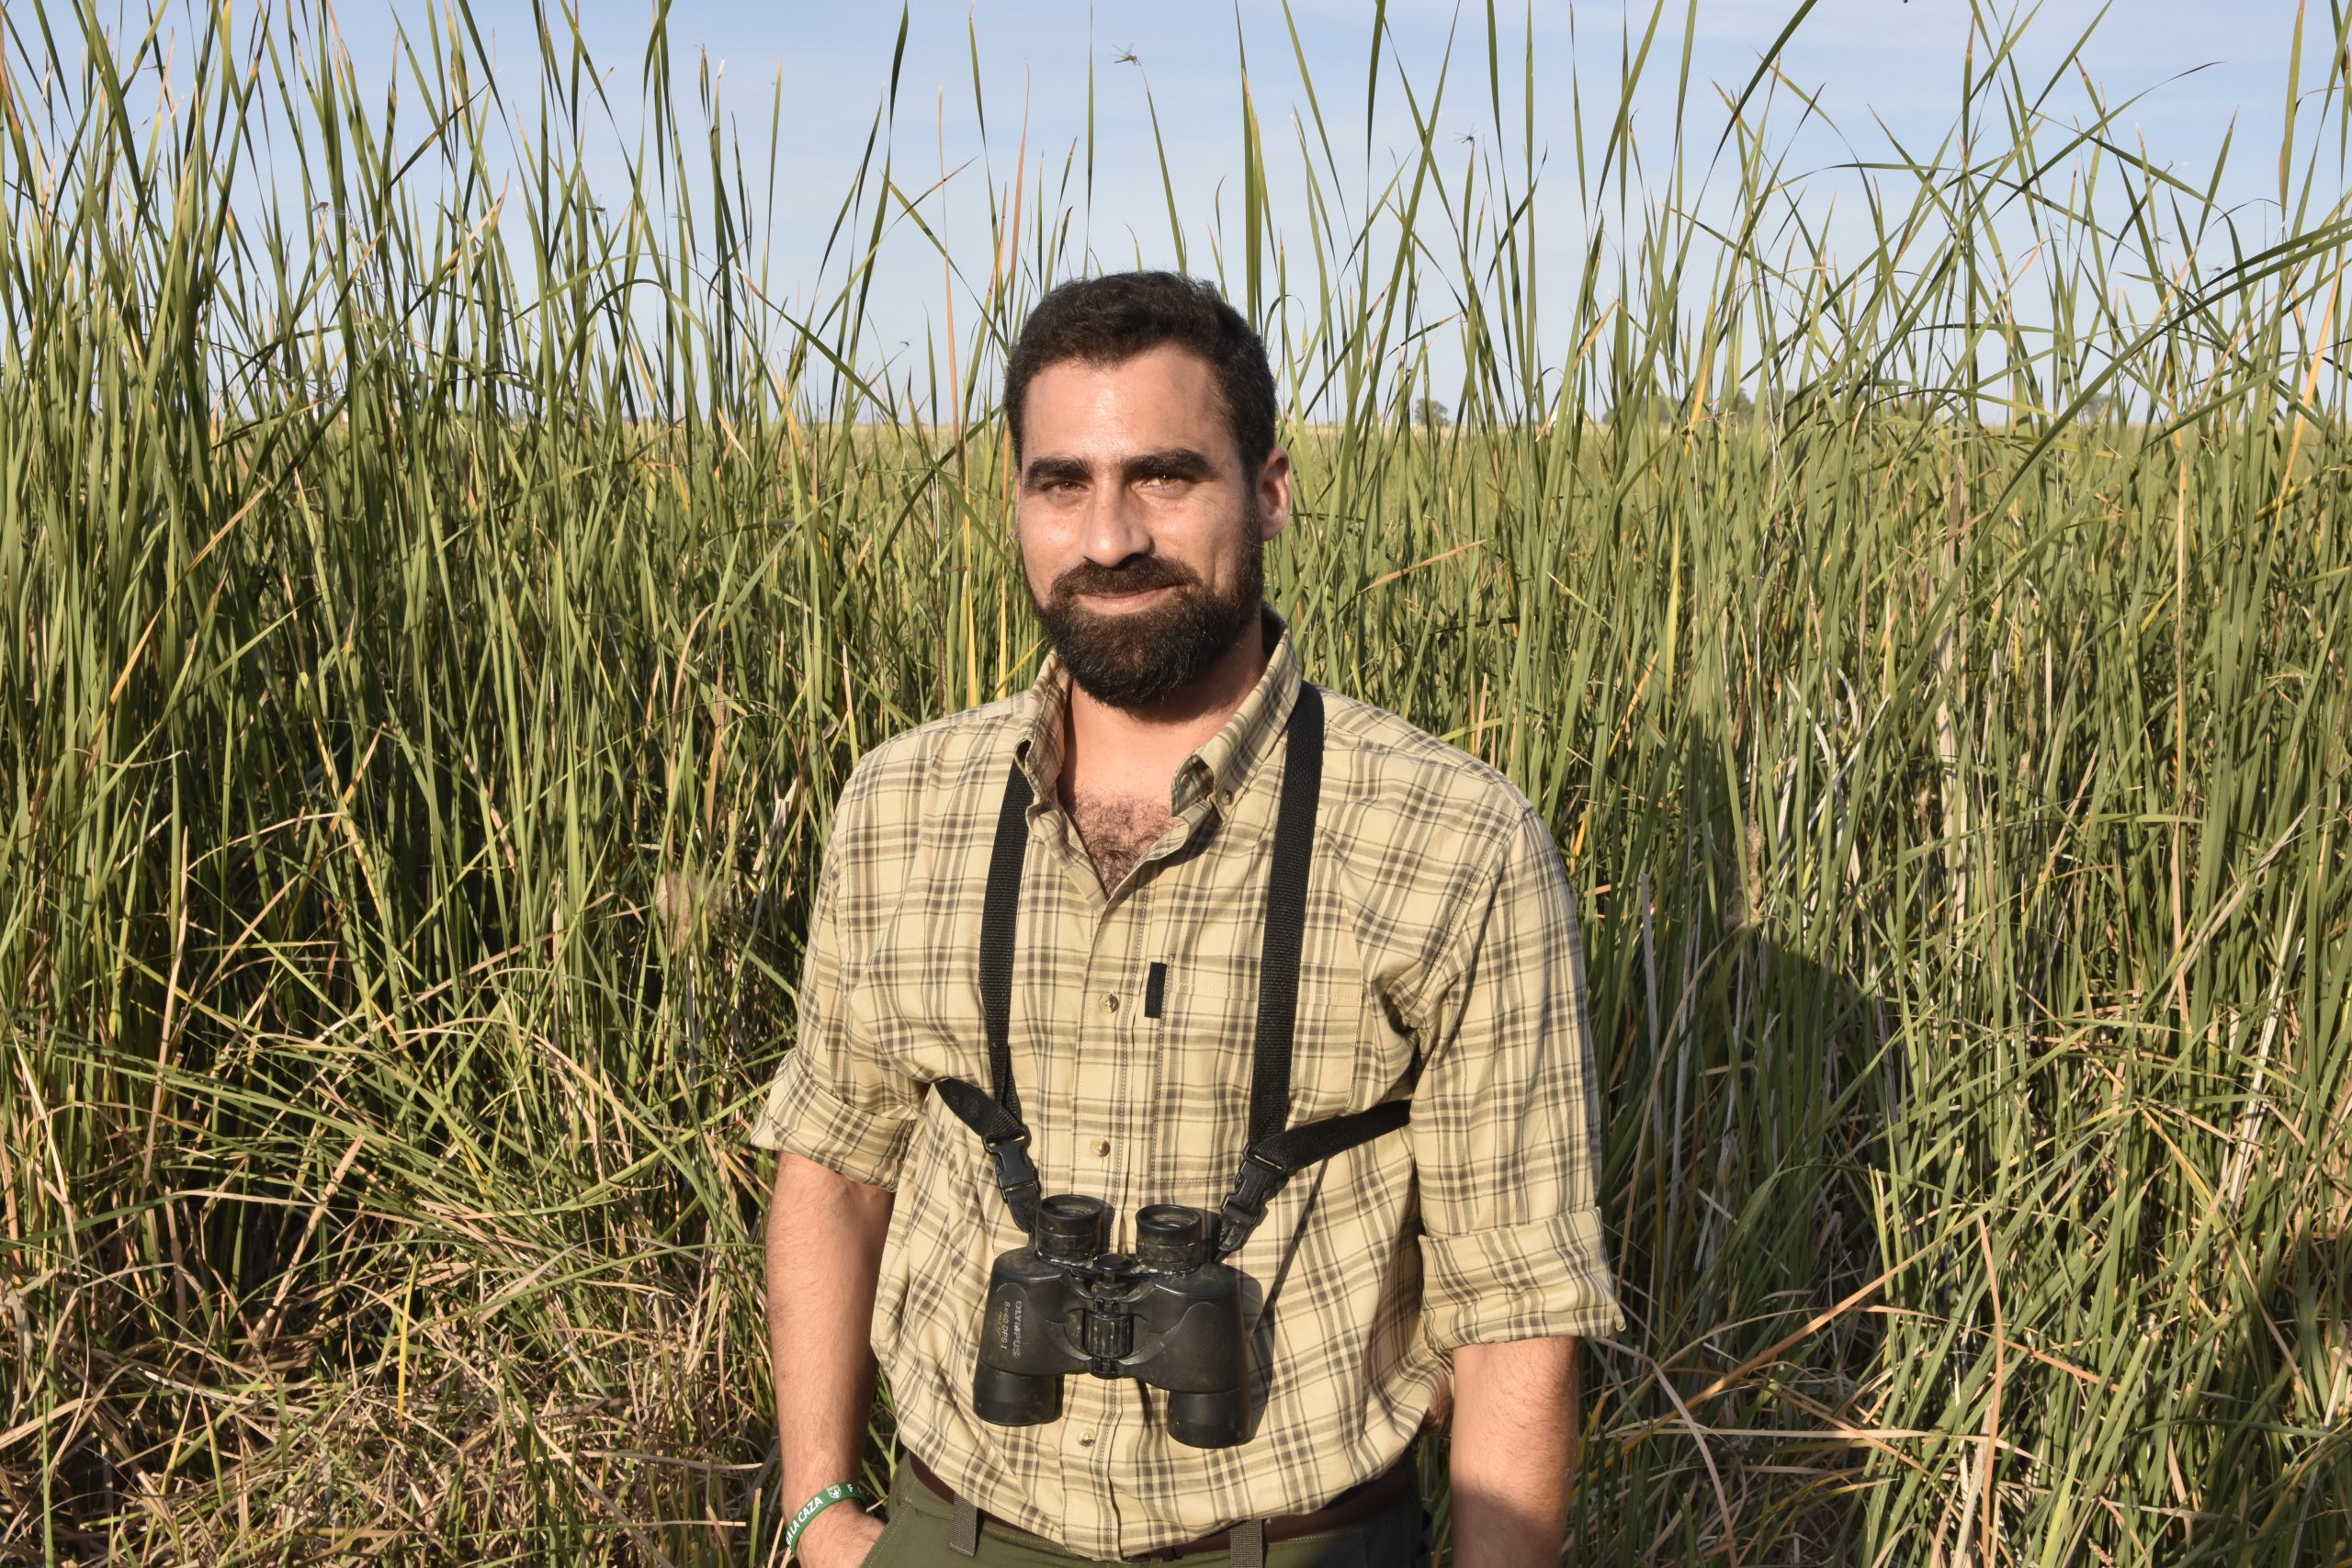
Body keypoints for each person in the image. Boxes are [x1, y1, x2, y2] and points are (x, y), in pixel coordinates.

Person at [752, 270, 1621, 1567]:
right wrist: (821, 1511)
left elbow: (1518, 1311)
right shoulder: (902, 802)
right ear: (1017, 502)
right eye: (1062, 483)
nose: (1108, 537)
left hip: (1297, 1536)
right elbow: (832, 1165)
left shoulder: (1455, 841)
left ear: (1267, 489)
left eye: (1164, 476)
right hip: (954, 1525)